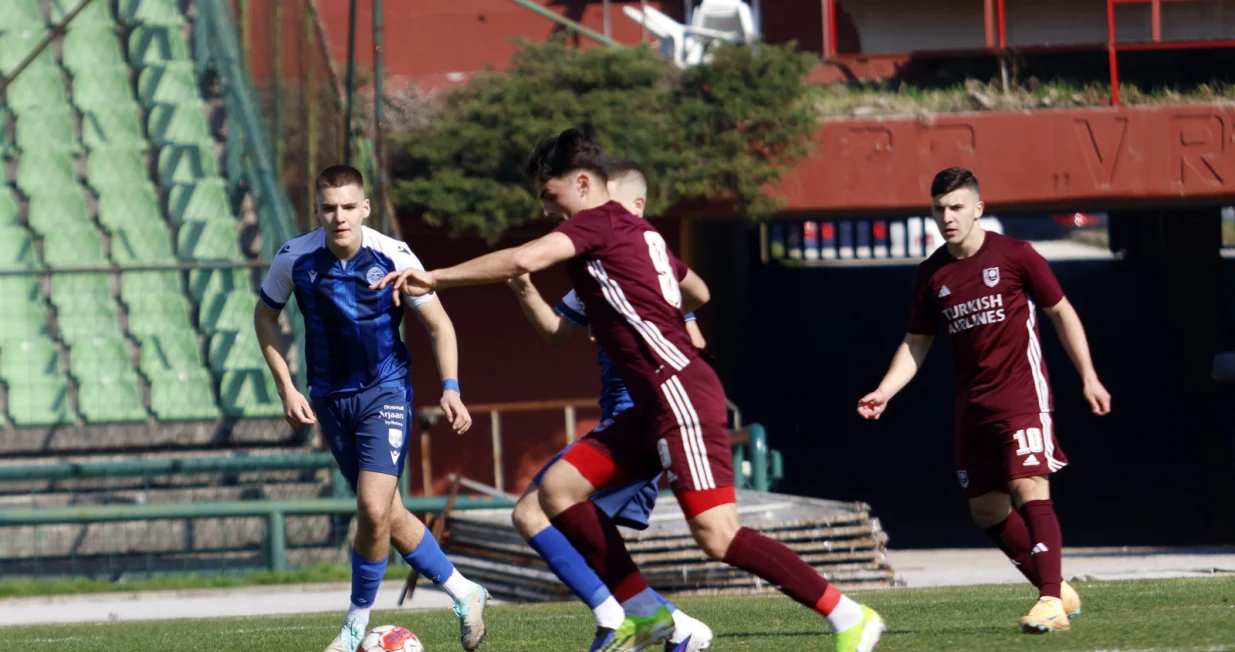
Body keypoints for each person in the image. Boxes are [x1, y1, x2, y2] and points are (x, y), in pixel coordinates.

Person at [373, 130, 885, 652]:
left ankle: (849, 615)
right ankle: (646, 614)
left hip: (678, 391)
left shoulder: (599, 221)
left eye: (550, 198)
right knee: (556, 492)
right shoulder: (639, 233)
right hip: (651, 401)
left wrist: (433, 276)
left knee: (718, 535)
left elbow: (523, 259)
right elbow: (701, 290)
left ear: (581, 183)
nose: (548, 211)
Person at [857, 167, 1112, 633]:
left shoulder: (1017, 255)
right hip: (972, 405)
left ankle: (1051, 601)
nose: (947, 217)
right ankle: (1057, 585)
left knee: (1029, 485)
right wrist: (885, 390)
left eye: (956, 207)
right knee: (986, 510)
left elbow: (1061, 312)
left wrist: (1089, 376)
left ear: (978, 209)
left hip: (1022, 395)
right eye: (939, 209)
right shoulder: (932, 275)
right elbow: (916, 343)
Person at [255, 165, 490, 652]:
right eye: (328, 208)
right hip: (329, 400)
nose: (338, 216)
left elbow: (439, 326)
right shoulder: (294, 259)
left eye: (347, 206)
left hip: (385, 392)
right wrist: (286, 388)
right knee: (390, 513)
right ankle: (466, 592)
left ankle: (355, 625)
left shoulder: (394, 255)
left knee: (370, 507)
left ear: (365, 207)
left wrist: (450, 387)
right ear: (316, 211)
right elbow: (265, 316)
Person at [505, 159, 713, 651]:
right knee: (558, 519)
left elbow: (695, 334)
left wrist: (638, 322)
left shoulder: (646, 266)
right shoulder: (594, 270)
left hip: (646, 415)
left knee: (537, 514)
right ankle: (667, 623)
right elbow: (557, 334)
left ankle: (629, 618)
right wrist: (523, 288)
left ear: (634, 207)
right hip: (622, 417)